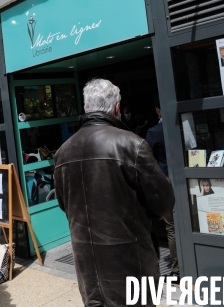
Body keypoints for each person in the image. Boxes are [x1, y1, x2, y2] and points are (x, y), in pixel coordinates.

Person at [53, 78, 175, 306]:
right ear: (117, 108)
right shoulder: (132, 145)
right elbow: (164, 203)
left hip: (87, 266)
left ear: (86, 108)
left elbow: (64, 205)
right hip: (130, 262)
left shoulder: (62, 152)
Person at [145, 94, 179, 277]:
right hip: (186, 180)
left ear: (158, 110)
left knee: (172, 228)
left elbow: (145, 159)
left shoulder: (154, 132)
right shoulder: (181, 124)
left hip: (167, 184)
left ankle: (177, 269)